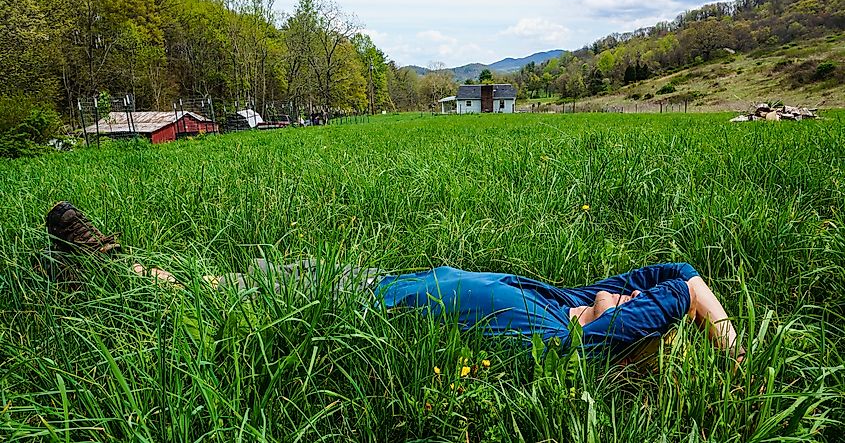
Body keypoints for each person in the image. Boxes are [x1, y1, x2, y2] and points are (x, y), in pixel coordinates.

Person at [41, 201, 743, 364]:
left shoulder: (567, 341)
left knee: (223, 293)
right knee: (230, 278)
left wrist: (730, 354)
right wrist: (729, 345)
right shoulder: (568, 302)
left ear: (625, 334)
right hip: (375, 279)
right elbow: (677, 274)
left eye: (629, 309)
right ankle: (114, 265)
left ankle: (107, 266)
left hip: (351, 307)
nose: (624, 294)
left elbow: (674, 296)